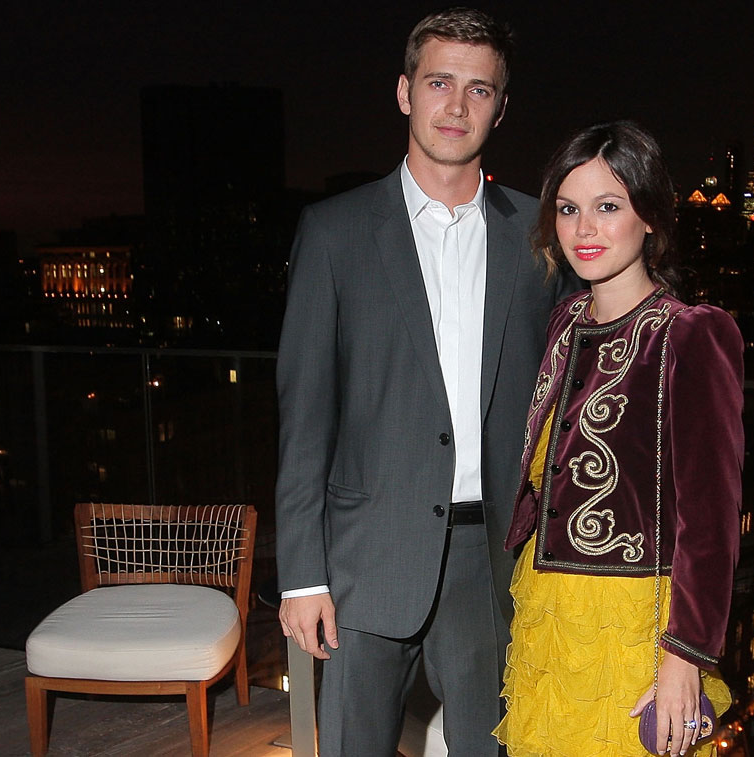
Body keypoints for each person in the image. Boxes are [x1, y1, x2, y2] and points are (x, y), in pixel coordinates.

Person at [274, 8, 575, 755]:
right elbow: (305, 414)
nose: (457, 105)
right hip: (364, 556)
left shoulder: (540, 235)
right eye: (440, 83)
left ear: (500, 108)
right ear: (406, 92)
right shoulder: (335, 231)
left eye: (480, 89)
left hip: (490, 558)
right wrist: (302, 575)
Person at [494, 121, 744, 756]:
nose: (584, 229)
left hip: (635, 622)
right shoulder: (565, 321)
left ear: (650, 217)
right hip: (550, 610)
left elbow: (711, 517)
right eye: (568, 209)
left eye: (608, 207)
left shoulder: (689, 334)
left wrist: (685, 655)